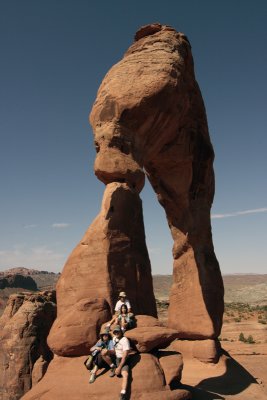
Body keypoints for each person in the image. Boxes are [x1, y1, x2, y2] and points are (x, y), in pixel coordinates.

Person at [113, 325, 131, 400]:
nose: (116, 333)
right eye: (115, 332)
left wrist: (119, 367)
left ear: (121, 332)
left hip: (123, 359)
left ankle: (123, 393)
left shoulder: (125, 340)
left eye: (118, 331)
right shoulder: (114, 338)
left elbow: (125, 355)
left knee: (125, 374)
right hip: (116, 358)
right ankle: (112, 368)